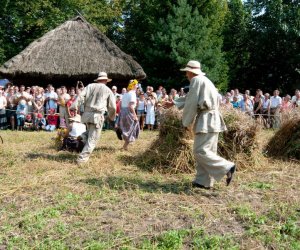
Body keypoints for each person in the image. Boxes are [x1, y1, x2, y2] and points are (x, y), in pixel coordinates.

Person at [164, 60, 236, 189]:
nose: (186, 74)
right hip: (213, 119)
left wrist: (186, 121)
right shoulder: (205, 81)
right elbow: (190, 97)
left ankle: (227, 167)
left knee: (200, 151)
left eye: (187, 72)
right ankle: (203, 182)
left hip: (206, 119)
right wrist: (174, 103)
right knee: (208, 151)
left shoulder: (196, 81)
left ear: (191, 72)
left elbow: (192, 102)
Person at [72, 72, 116, 164]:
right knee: (93, 139)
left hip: (86, 115)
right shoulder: (108, 90)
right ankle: (81, 160)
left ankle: (83, 136)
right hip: (97, 116)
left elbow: (80, 96)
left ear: (98, 80)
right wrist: (111, 117)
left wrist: (74, 106)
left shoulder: (89, 86)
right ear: (105, 80)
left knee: (91, 132)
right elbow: (113, 107)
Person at [117, 79, 140, 150]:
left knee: (127, 128)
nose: (137, 86)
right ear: (133, 85)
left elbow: (121, 104)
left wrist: (121, 112)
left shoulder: (126, 94)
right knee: (132, 128)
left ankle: (122, 134)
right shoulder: (132, 93)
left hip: (123, 111)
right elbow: (130, 106)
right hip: (128, 112)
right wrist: (135, 115)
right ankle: (124, 145)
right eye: (136, 85)